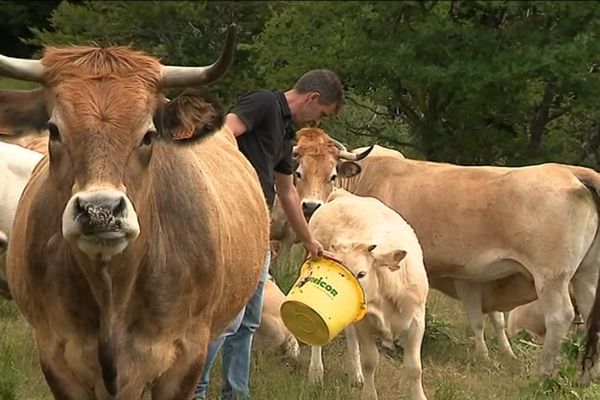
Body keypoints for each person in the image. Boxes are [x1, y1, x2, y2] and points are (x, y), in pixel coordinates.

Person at [193, 69, 344, 400]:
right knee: (227, 320)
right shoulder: (263, 103)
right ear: (312, 98)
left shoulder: (287, 133)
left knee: (247, 321)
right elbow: (224, 133)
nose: (317, 123)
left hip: (257, 230)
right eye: (321, 115)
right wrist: (234, 186)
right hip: (232, 222)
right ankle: (195, 390)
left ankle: (236, 393)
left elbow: (287, 192)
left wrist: (309, 240)